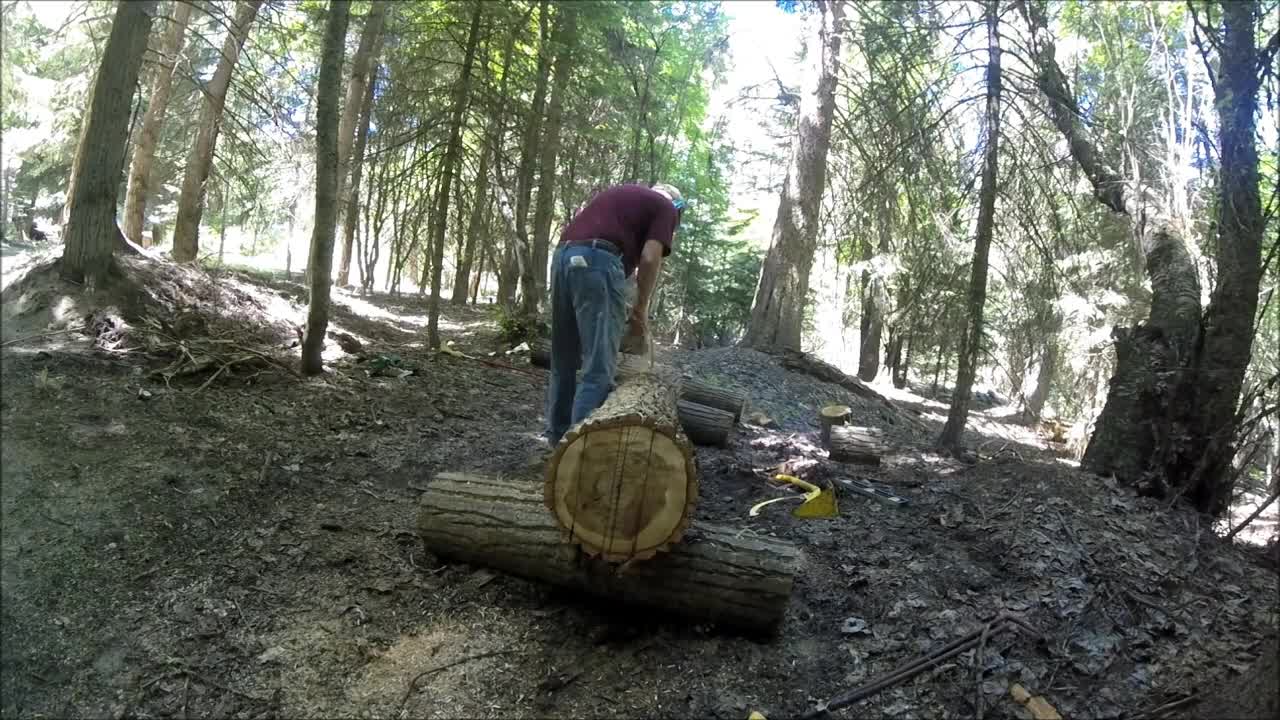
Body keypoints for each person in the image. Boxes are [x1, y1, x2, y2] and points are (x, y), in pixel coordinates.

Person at [543, 182, 685, 446]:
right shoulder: (667, 207)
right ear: (678, 208)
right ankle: (580, 449)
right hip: (598, 260)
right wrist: (641, 309)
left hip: (563, 256)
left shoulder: (624, 194)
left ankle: (557, 439)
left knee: (564, 359)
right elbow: (650, 258)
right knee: (598, 367)